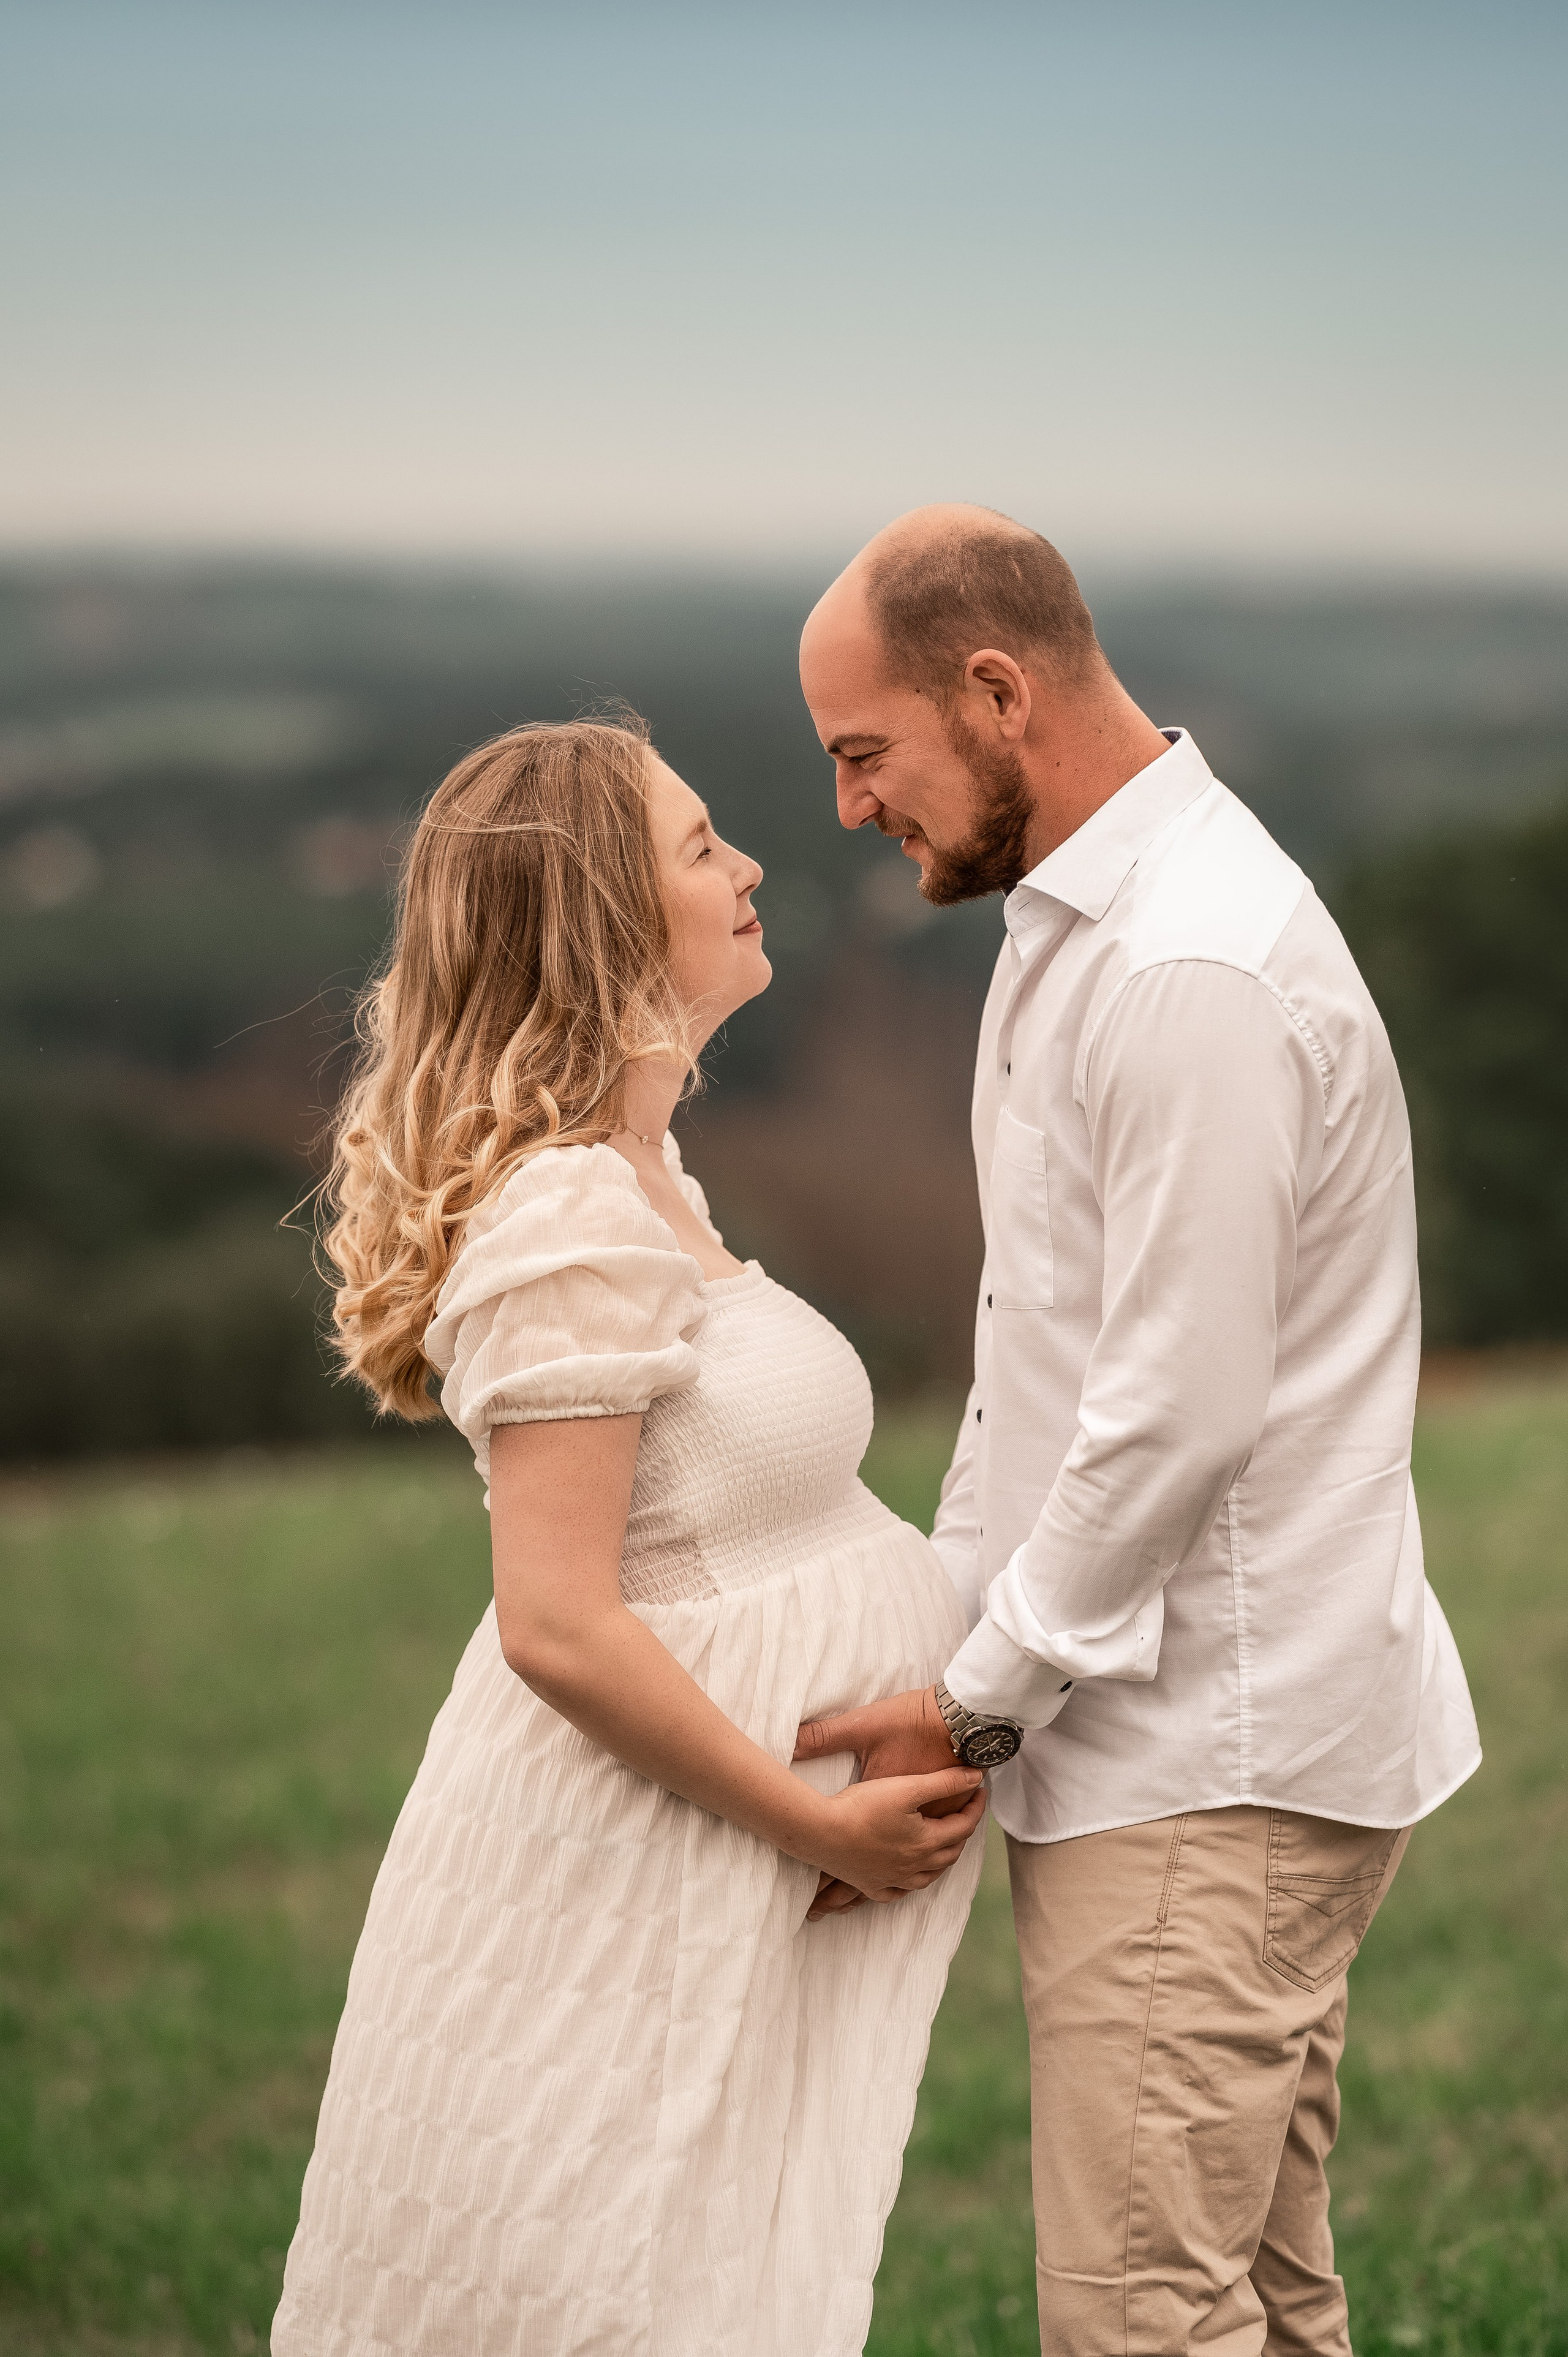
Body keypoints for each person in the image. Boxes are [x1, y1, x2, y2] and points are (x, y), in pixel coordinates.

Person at [796, 506, 1482, 2357]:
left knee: (1140, 2324)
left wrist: (981, 1696)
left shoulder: (1188, 969)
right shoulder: (1085, 922)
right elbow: (1042, 1369)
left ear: (998, 691)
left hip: (1211, 1767)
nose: (852, 809)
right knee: (1255, 2298)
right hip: (1198, 1745)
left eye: (867, 755)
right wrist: (944, 1644)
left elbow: (1173, 1415)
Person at [271, 714, 987, 2357]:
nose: (748, 870)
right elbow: (559, 1623)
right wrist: (818, 1834)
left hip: (694, 1880)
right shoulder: (572, 1207)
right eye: (698, 847)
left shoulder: (650, 1179)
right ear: (602, 920)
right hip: (613, 1890)